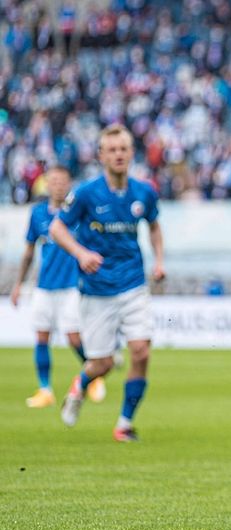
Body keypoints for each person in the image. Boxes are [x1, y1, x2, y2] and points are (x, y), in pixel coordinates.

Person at [49, 123, 165, 443]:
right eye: (112, 150)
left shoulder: (144, 192)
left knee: (140, 351)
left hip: (133, 283)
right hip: (97, 289)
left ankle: (124, 424)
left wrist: (158, 261)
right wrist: (81, 253)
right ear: (101, 155)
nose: (118, 154)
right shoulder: (86, 193)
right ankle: (80, 385)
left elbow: (154, 227)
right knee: (100, 363)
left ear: (131, 153)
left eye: (124, 149)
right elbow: (58, 228)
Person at [12, 166, 106, 408]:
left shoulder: (78, 213)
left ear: (69, 184)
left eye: (62, 181)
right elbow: (29, 252)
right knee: (41, 336)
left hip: (72, 285)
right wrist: (19, 284)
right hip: (44, 286)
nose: (58, 186)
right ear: (47, 185)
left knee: (73, 336)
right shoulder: (38, 213)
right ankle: (45, 389)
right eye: (53, 181)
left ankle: (93, 377)